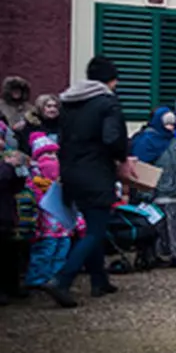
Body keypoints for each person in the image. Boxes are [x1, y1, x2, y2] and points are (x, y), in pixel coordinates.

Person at [43, 57, 128, 307]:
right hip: (96, 173)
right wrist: (122, 158)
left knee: (92, 227)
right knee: (95, 230)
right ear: (111, 80)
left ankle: (99, 280)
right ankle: (61, 280)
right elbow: (112, 138)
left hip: (70, 172)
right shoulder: (107, 103)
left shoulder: (69, 102)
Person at [132, 107, 176, 268]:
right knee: (165, 223)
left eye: (173, 125)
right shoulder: (145, 141)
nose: (171, 128)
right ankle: (173, 254)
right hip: (157, 192)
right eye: (167, 124)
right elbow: (140, 169)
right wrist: (145, 193)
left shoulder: (174, 142)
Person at [23, 134, 85, 290]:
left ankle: (55, 279)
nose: (51, 158)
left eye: (53, 154)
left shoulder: (63, 177)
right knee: (44, 251)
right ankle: (37, 279)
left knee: (61, 251)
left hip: (63, 225)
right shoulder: (34, 180)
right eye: (46, 154)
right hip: (45, 225)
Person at [0, 127, 30, 305]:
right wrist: (8, 166)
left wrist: (19, 169)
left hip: (7, 212)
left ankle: (12, 286)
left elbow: (16, 187)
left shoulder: (6, 157)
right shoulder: (5, 164)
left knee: (10, 251)